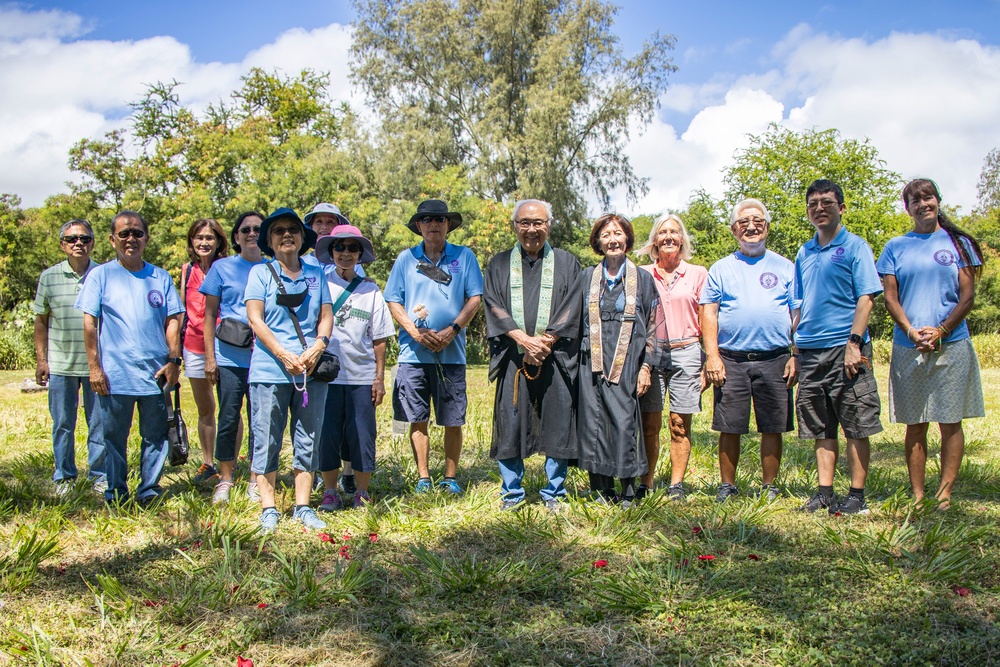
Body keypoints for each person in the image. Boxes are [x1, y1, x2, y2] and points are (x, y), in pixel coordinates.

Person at [877, 178, 985, 509]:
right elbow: (890, 298)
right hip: (908, 345)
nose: (923, 204)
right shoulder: (896, 246)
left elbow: (967, 297)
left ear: (938, 201)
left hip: (952, 344)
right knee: (916, 424)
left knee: (950, 421)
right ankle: (918, 494)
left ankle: (945, 494)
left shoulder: (959, 243)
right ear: (907, 208)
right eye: (915, 200)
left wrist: (941, 330)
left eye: (928, 198)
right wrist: (910, 330)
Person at [76, 210, 183, 506]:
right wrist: (95, 368)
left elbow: (174, 320)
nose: (131, 239)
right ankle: (116, 492)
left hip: (156, 375)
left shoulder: (160, 277)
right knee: (113, 438)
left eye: (137, 233)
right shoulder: (100, 275)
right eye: (124, 234)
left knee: (156, 436)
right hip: (114, 374)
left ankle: (148, 490)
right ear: (112, 240)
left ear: (146, 238)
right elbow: (89, 324)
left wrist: (174, 362)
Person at [483, 199, 582, 511]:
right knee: (510, 420)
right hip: (514, 358)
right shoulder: (498, 264)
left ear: (549, 225)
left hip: (555, 359)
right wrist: (523, 340)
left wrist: (545, 342)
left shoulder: (568, 263)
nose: (531, 229)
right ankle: (512, 493)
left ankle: (555, 492)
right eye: (524, 222)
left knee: (558, 419)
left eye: (538, 222)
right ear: (515, 226)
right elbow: (493, 303)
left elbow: (572, 304)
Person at [794, 180, 883, 515]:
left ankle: (856, 495)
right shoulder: (804, 251)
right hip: (811, 350)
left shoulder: (856, 246)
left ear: (841, 208)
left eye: (827, 202)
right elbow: (799, 304)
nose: (820, 208)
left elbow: (866, 298)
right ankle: (825, 492)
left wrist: (854, 344)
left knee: (856, 422)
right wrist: (795, 349)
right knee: (820, 425)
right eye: (813, 203)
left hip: (845, 348)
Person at [701, 199, 798, 503]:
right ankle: (727, 485)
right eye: (744, 222)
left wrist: (796, 353)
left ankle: (769, 486)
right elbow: (709, 314)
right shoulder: (721, 268)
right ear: (734, 230)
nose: (751, 227)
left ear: (767, 227)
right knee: (729, 425)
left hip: (776, 357)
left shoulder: (785, 266)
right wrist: (712, 355)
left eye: (758, 221)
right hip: (731, 358)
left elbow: (797, 313)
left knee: (773, 425)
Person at [385, 199, 483, 494]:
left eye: (440, 219)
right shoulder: (406, 259)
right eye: (427, 219)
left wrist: (453, 330)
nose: (434, 224)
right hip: (413, 354)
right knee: (418, 418)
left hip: (452, 353)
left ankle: (451, 478)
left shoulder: (464, 257)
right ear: (419, 225)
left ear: (448, 224)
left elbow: (475, 298)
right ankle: (423, 478)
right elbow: (393, 299)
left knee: (453, 419)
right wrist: (414, 332)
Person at [245, 208, 333, 532]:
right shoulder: (260, 274)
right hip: (270, 369)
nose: (286, 235)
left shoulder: (316, 272)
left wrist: (318, 345)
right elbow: (256, 319)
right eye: (279, 230)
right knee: (266, 437)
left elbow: (326, 315)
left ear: (302, 237)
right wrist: (283, 354)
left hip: (310, 370)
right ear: (269, 239)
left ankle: (303, 506)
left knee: (308, 437)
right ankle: (268, 508)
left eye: (293, 230)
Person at [578, 213, 660, 508]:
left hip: (627, 364)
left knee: (624, 422)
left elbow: (653, 326)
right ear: (597, 242)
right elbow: (574, 321)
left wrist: (647, 366)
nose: (612, 240)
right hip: (592, 362)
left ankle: (627, 489)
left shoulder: (643, 278)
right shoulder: (588, 277)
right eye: (605, 235)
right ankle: (601, 488)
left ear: (627, 238)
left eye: (618, 233)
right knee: (594, 421)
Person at [314, 224, 395, 510]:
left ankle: (362, 491)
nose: (345, 253)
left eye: (352, 248)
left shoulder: (371, 290)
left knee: (362, 435)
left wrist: (379, 378)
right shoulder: (319, 283)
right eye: (340, 247)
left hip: (361, 376)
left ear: (360, 254)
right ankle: (330, 491)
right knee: (328, 436)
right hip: (327, 376)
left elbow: (380, 338)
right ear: (331, 251)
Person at [636, 214, 707, 501]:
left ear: (682, 239)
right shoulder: (641, 273)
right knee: (649, 423)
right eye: (662, 232)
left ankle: (676, 485)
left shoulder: (698, 274)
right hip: (651, 355)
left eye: (674, 232)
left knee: (679, 423)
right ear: (654, 240)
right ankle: (647, 482)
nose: (668, 236)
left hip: (686, 351)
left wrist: (708, 360)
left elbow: (708, 318)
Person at [34, 219, 106, 494]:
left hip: (96, 366)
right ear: (63, 244)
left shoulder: (104, 273)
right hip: (61, 364)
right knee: (63, 423)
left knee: (98, 424)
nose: (79, 243)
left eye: (85, 239)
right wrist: (42, 360)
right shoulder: (49, 277)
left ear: (93, 243)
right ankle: (64, 476)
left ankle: (99, 476)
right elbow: (41, 321)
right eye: (73, 239)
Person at [200, 211, 265, 504]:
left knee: (260, 420)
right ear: (236, 236)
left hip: (263, 357)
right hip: (228, 357)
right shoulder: (221, 268)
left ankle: (255, 477)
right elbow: (210, 314)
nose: (252, 233)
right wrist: (210, 358)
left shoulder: (273, 267)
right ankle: (225, 478)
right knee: (228, 418)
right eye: (246, 229)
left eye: (258, 229)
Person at [302, 202, 363, 493]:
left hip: (352, 361)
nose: (324, 226)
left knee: (347, 424)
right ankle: (316, 471)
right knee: (319, 420)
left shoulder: (355, 264)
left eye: (330, 221)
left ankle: (348, 472)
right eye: (318, 222)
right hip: (318, 354)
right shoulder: (304, 264)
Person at [180, 218, 229, 486]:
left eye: (209, 237)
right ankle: (208, 463)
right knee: (205, 408)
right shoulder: (187, 270)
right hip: (194, 346)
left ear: (219, 241)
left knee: (229, 408)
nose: (204, 242)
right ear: (191, 242)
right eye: (198, 238)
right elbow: (184, 312)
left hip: (224, 345)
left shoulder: (226, 268)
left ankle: (229, 463)